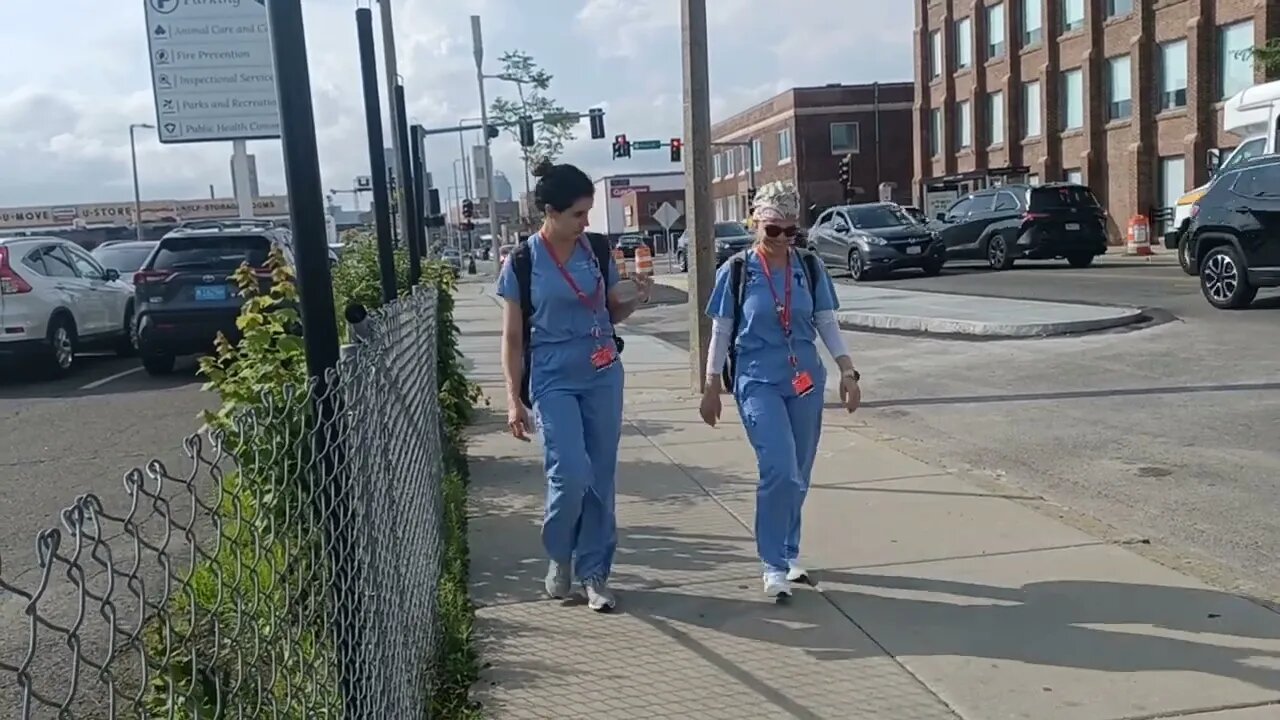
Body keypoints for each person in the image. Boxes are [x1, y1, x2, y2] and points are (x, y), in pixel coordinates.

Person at [497, 160, 653, 612]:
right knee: (569, 474)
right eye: (577, 215)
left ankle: (595, 573)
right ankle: (560, 553)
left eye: (588, 214)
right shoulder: (523, 261)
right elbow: (511, 338)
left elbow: (609, 311)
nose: (585, 223)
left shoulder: (597, 250)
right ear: (550, 212)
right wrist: (513, 400)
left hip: (602, 372)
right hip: (552, 377)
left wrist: (636, 298)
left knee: (600, 477)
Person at [698, 180, 862, 599]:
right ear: (755, 224)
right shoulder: (736, 270)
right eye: (774, 230)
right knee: (780, 470)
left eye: (792, 231)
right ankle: (772, 563)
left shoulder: (808, 267)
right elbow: (721, 330)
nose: (783, 239)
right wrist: (711, 384)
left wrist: (847, 371)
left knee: (800, 474)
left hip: (805, 378)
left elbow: (826, 321)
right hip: (758, 380)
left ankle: (788, 553)